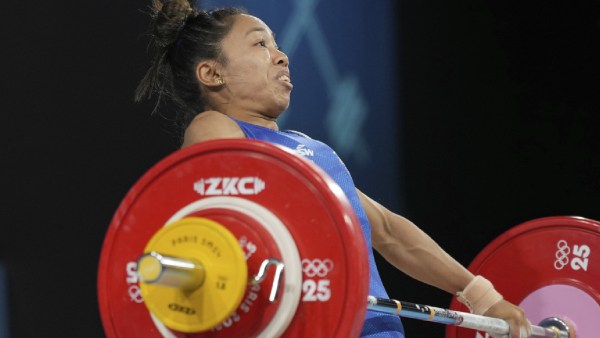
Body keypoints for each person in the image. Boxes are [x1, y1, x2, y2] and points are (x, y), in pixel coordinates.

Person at [135, 1, 532, 337]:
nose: (281, 55)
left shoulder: (312, 150)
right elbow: (224, 222)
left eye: (275, 44)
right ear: (212, 74)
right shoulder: (214, 127)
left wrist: (483, 297)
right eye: (259, 43)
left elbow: (392, 233)